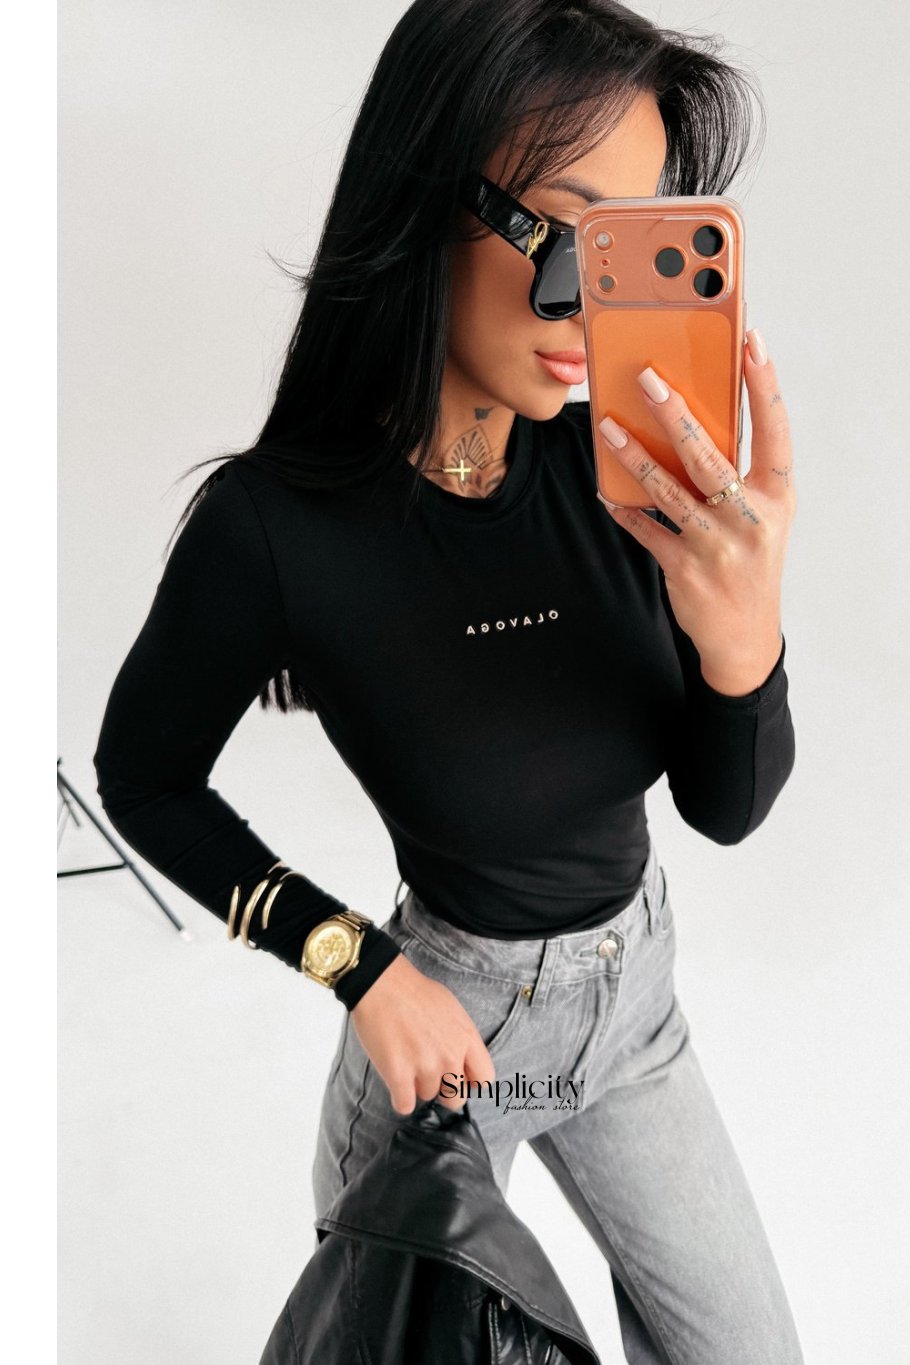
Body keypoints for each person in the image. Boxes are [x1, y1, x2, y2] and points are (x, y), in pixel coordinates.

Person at [92, 2, 802, 1361]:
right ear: (428, 199)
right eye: (565, 239)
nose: (593, 303)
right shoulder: (274, 531)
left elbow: (725, 808)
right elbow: (145, 777)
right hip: (448, 1047)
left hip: (633, 1014)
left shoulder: (626, 482)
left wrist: (745, 643)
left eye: (631, 251)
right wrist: (358, 965)